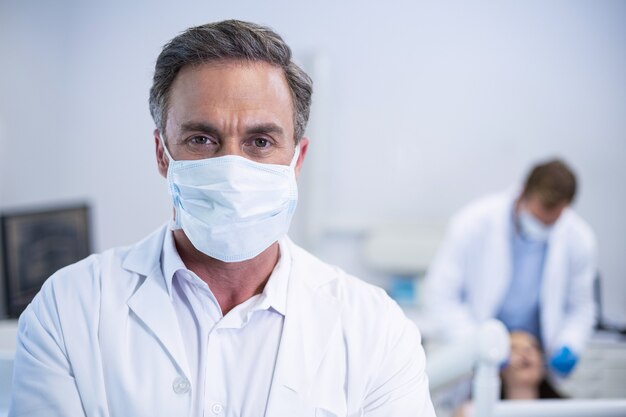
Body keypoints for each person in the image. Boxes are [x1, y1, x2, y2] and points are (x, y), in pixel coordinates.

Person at [9, 20, 435, 417]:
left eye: (260, 141)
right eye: (201, 139)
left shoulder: (376, 331)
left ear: (297, 159)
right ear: (163, 153)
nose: (232, 168)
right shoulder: (69, 310)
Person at [424, 159, 597, 379]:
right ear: (523, 193)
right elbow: (441, 296)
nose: (543, 226)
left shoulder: (578, 239)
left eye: (551, 222)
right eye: (537, 217)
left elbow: (580, 308)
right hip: (479, 353)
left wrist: (570, 343)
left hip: (541, 359)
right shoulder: (473, 223)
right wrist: (480, 345)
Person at [453, 331, 563, 417]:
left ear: (544, 362)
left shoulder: (569, 410)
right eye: (513, 348)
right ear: (499, 365)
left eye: (531, 347)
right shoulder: (470, 412)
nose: (524, 353)